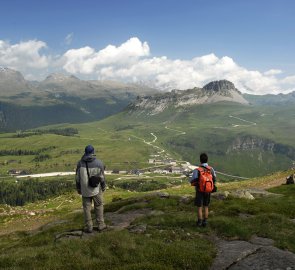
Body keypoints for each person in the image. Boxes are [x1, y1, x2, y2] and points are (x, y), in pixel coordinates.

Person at [75, 145, 106, 233]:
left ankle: (89, 227)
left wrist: (78, 188)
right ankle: (101, 225)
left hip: (84, 190)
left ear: (85, 152)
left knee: (86, 208)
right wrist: (103, 186)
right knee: (99, 206)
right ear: (93, 152)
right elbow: (102, 177)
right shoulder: (99, 163)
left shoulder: (80, 163)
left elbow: (77, 178)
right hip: (96, 189)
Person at [190, 153, 216, 227]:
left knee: (199, 207)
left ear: (200, 160)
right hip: (208, 190)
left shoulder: (197, 170)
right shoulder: (211, 169)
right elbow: (214, 178)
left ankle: (199, 222)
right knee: (206, 206)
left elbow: (192, 180)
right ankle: (205, 221)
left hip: (199, 190)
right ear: (207, 160)